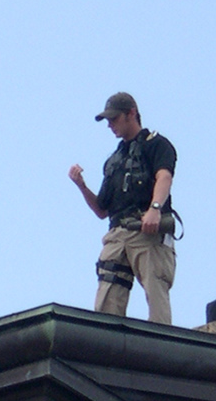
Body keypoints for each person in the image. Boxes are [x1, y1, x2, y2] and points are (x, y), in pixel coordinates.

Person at [68, 92, 176, 323]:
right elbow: (101, 210)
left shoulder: (156, 145)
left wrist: (155, 209)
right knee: (108, 295)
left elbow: (164, 176)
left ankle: (162, 349)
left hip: (146, 232)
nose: (110, 125)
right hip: (118, 233)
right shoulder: (115, 160)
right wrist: (81, 186)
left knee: (155, 290)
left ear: (131, 114)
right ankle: (106, 349)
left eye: (114, 119)